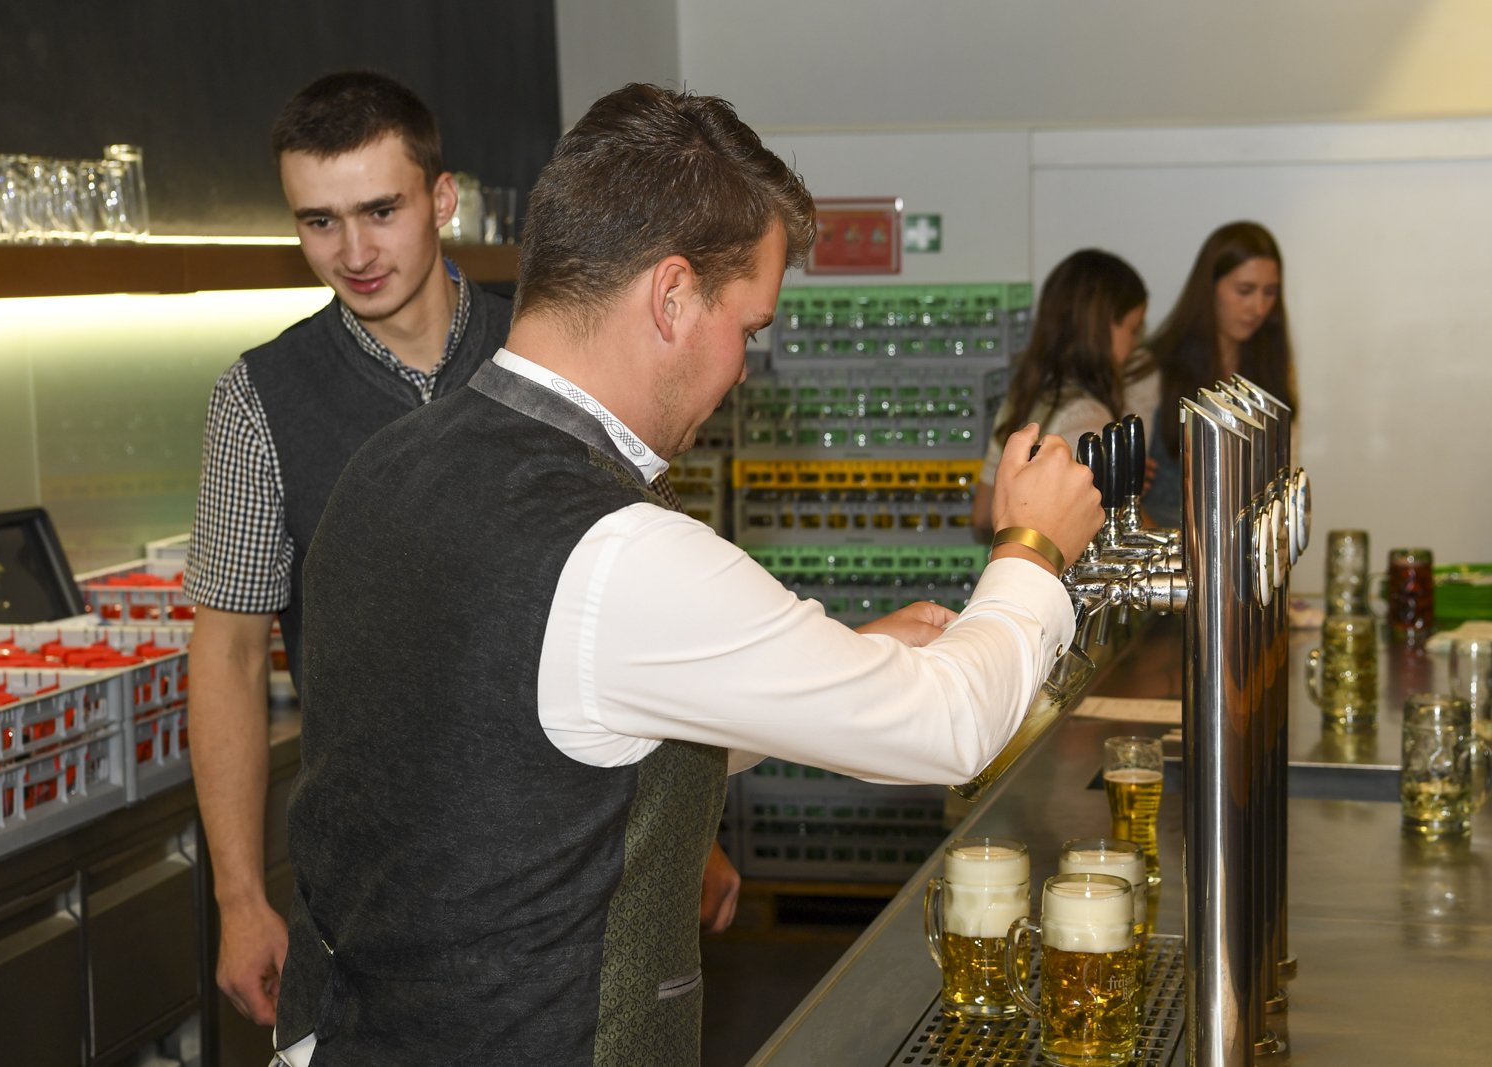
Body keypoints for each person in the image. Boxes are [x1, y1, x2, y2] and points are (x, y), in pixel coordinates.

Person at [274, 82, 1103, 1065]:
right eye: (747, 328)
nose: (743, 369)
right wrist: (1032, 547)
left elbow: (530, 739)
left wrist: (818, 670)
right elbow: (949, 724)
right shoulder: (614, 545)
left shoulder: (385, 464)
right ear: (670, 296)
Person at [181, 71, 515, 1029]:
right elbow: (228, 652)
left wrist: (685, 828)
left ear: (440, 199)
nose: (355, 253)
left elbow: (646, 604)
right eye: (319, 222)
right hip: (367, 887)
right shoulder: (259, 399)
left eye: (380, 211)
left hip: (566, 854)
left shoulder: (555, 350)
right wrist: (240, 896)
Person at [972, 248, 1156, 538]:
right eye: (1133, 330)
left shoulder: (1024, 396)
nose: (1134, 344)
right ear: (1102, 327)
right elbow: (1124, 528)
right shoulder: (1087, 417)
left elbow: (983, 514)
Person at [1143, 220, 1299, 528]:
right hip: (1164, 545)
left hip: (1245, 546)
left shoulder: (1270, 366)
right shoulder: (1155, 368)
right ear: (1209, 288)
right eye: (1244, 291)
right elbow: (1123, 496)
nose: (1258, 307)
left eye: (1270, 293)